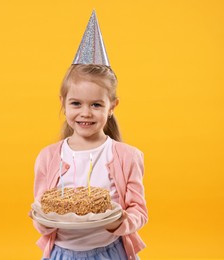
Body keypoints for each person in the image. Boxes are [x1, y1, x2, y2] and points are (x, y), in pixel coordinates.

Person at [30, 11, 148, 260]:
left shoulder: (128, 157)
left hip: (110, 252)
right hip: (63, 253)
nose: (86, 113)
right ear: (63, 102)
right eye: (76, 103)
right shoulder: (48, 157)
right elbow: (43, 211)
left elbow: (139, 211)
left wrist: (119, 222)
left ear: (112, 106)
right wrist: (42, 220)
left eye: (96, 105)